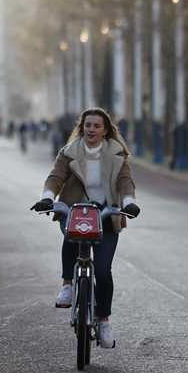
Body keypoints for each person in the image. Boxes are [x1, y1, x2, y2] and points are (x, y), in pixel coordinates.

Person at [31, 108, 140, 349]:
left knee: (102, 272)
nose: (91, 129)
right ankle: (68, 285)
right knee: (72, 237)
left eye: (96, 126)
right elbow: (55, 177)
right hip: (76, 210)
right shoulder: (69, 152)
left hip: (106, 214)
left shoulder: (117, 153)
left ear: (105, 130)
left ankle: (104, 321)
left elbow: (125, 182)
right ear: (82, 128)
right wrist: (48, 198)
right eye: (87, 125)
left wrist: (129, 203)